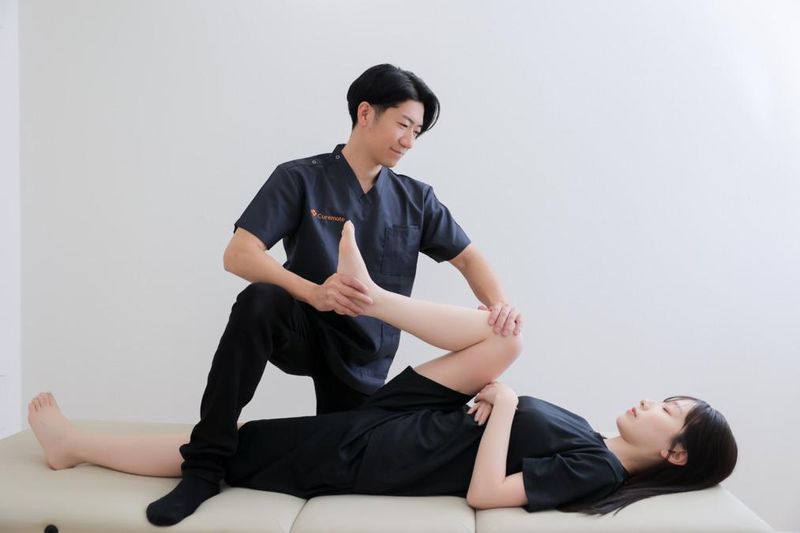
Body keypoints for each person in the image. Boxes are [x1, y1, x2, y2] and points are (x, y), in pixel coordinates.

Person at [28, 222, 737, 523]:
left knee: (231, 447)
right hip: (419, 420)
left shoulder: (598, 471)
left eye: (667, 410)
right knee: (506, 338)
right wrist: (497, 396)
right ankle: (370, 295)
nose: (650, 402)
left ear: (675, 453)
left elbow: (487, 494)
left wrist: (504, 406)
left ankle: (73, 446)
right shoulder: (592, 442)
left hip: (394, 450)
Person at [147, 63, 523, 525]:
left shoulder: (416, 199)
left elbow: (468, 258)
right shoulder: (300, 177)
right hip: (304, 327)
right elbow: (239, 254)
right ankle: (203, 467)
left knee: (339, 464)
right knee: (259, 301)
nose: (409, 140)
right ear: (366, 113)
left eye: (417, 131)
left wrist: (500, 307)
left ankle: (238, 461)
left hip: (363, 357)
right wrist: (313, 293)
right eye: (403, 124)